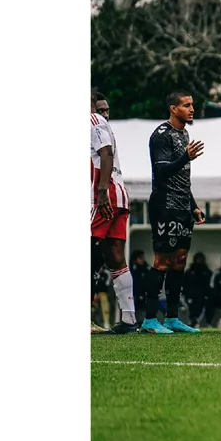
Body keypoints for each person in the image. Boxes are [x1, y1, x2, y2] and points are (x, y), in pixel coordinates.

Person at [141, 91, 206, 333]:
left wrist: (194, 206)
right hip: (164, 205)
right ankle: (149, 319)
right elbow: (162, 172)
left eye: (192, 105)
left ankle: (172, 318)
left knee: (179, 261)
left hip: (181, 206)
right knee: (162, 260)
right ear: (173, 108)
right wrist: (184, 157)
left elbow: (182, 178)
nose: (191, 109)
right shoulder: (161, 135)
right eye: (186, 105)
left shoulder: (184, 134)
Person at [90, 93, 138, 334]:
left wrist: (100, 191)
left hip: (105, 194)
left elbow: (105, 154)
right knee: (115, 257)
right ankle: (129, 320)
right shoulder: (103, 123)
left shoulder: (92, 121)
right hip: (118, 193)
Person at [183, 252, 213, 326]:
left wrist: (208, 295)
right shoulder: (189, 272)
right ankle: (191, 322)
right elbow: (184, 284)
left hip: (203, 297)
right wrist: (185, 294)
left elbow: (210, 286)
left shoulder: (207, 273)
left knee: (201, 312)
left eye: (201, 259)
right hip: (190, 297)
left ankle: (199, 323)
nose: (199, 261)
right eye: (198, 259)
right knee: (190, 311)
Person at [130, 249, 151, 319]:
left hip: (145, 296)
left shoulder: (146, 269)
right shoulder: (133, 271)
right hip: (135, 296)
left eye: (143, 258)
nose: (143, 260)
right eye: (140, 258)